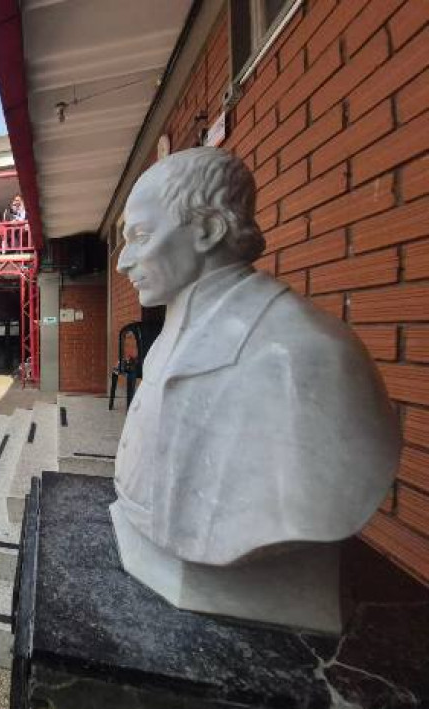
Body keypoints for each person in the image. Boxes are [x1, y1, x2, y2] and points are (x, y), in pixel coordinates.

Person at [112, 146, 400, 571]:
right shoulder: (173, 332)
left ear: (207, 229)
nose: (122, 262)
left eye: (140, 236)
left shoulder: (304, 356)